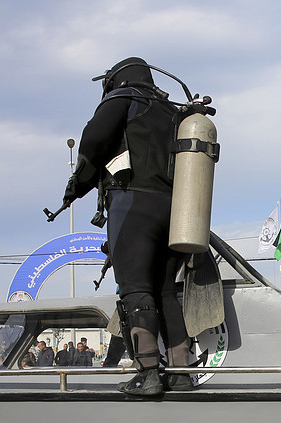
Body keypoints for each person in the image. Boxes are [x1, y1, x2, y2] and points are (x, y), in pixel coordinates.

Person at [62, 56, 193, 396]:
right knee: (165, 289)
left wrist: (77, 185)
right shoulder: (174, 111)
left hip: (132, 203)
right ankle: (180, 372)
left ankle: (148, 374)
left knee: (135, 288)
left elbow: (94, 140)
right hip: (176, 208)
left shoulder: (124, 97)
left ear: (114, 80)